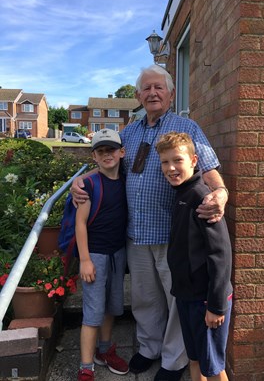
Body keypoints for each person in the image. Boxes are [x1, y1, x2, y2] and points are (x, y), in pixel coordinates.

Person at [71, 65, 229, 381]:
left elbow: (208, 167)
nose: (152, 93)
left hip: (173, 235)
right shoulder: (129, 131)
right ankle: (148, 347)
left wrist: (221, 192)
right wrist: (82, 180)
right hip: (136, 233)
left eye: (159, 87)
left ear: (170, 94)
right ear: (138, 95)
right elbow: (108, 163)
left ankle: (173, 361)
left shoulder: (186, 127)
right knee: (144, 299)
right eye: (146, 88)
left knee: (175, 302)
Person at [155, 132, 233, 381]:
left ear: (194, 160)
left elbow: (220, 255)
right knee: (195, 358)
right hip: (187, 296)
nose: (171, 168)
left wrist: (216, 305)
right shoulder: (181, 194)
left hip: (207, 300)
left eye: (177, 160)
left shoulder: (202, 198)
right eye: (165, 162)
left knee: (213, 367)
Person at [76, 129, 129, 381]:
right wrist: (84, 259)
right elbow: (80, 224)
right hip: (95, 255)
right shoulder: (88, 185)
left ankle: (104, 350)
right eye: (101, 151)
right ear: (94, 157)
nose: (107, 155)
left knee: (111, 307)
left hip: (117, 253)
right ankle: (86, 366)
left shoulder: (126, 179)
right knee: (92, 312)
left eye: (111, 150)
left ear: (122, 152)